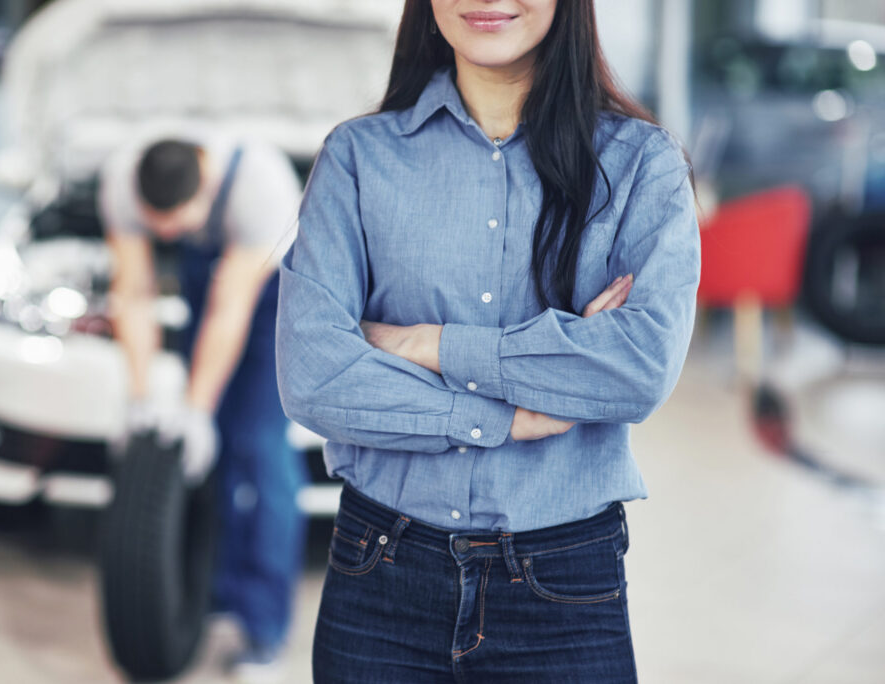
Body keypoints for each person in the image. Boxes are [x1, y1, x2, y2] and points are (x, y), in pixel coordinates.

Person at [275, 1, 700, 681]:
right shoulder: (358, 157)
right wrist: (507, 415)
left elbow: (639, 367)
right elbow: (314, 376)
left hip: (562, 585)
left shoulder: (641, 164)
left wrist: (429, 346)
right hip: (378, 574)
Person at [98, 121, 305, 679]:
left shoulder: (259, 187)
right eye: (155, 226)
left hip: (271, 285)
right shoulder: (122, 181)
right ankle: (213, 590)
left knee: (257, 446)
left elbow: (230, 308)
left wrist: (196, 410)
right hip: (208, 266)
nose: (164, 234)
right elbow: (133, 291)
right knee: (203, 456)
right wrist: (140, 397)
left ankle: (264, 630)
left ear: (205, 188)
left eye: (176, 224)